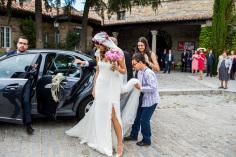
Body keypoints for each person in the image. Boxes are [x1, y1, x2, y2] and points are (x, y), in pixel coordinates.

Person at [65, 32, 140, 157]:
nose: (97, 47)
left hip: (112, 87)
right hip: (101, 87)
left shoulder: (117, 53)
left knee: (114, 116)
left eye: (99, 45)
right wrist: (94, 88)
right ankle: (103, 139)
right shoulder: (98, 53)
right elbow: (98, 71)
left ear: (105, 43)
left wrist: (116, 67)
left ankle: (120, 144)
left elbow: (124, 70)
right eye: (96, 45)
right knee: (101, 115)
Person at [124, 53, 159, 146]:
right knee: (137, 117)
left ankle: (147, 140)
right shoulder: (139, 72)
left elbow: (153, 88)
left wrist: (141, 88)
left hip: (151, 101)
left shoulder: (149, 72)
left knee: (144, 120)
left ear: (140, 62)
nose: (133, 66)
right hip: (142, 99)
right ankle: (133, 135)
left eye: (134, 64)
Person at [6, 36, 35, 135]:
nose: (22, 45)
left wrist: (33, 69)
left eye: (25, 44)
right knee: (8, 98)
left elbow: (33, 71)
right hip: (12, 81)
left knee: (26, 101)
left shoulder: (31, 57)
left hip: (25, 82)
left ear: (27, 46)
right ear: (17, 44)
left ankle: (28, 124)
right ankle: (14, 113)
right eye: (21, 43)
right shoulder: (10, 55)